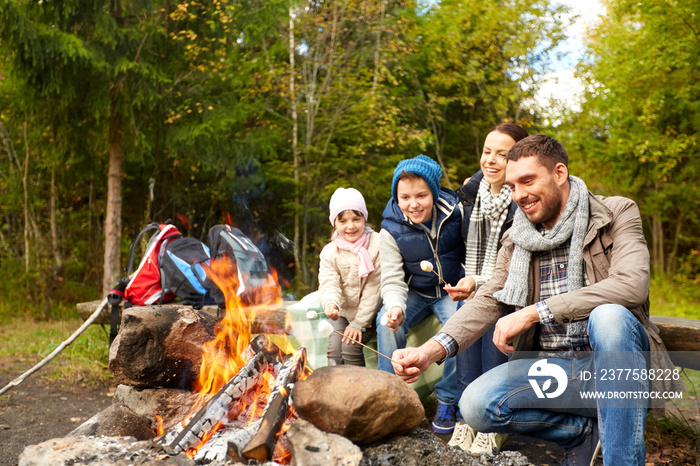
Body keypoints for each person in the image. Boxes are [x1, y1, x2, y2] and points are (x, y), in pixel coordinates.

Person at [391, 135, 685, 466]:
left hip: (612, 368)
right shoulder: (517, 237)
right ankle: (581, 433)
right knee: (474, 404)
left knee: (610, 317)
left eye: (527, 181)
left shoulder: (616, 212)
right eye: (513, 185)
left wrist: (536, 311)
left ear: (559, 173)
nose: (519, 195)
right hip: (552, 369)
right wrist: (428, 352)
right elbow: (489, 297)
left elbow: (631, 285)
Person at [444, 123, 528, 454]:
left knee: (492, 320)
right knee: (466, 317)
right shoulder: (470, 195)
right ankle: (466, 420)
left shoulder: (522, 201)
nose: (491, 160)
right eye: (486, 151)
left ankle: (493, 423)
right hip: (473, 285)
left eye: (502, 155)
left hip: (511, 289)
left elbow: (513, 267)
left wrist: (477, 282)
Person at [376, 154, 465, 435]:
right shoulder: (390, 229)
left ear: (434, 193)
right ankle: (391, 397)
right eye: (405, 197)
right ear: (397, 198)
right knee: (387, 323)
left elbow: (472, 254)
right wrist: (395, 308)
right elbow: (391, 278)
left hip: (450, 291)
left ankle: (448, 399)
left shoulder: (457, 214)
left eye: (421, 195)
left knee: (459, 328)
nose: (413, 204)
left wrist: (467, 283)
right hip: (414, 292)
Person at [318, 187, 382, 366]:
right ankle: (336, 389)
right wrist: (331, 304)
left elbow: (374, 289)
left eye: (356, 219)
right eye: (343, 221)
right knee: (335, 350)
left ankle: (358, 390)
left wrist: (359, 323)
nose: (350, 226)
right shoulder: (330, 252)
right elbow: (329, 283)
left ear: (364, 219)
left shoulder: (377, 244)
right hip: (344, 312)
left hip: (370, 314)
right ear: (335, 224)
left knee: (350, 346)